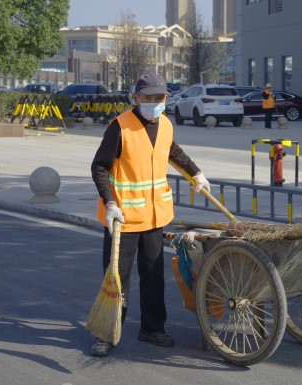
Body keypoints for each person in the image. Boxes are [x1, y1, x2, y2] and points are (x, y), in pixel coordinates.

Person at [90, 73, 211, 357]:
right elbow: (100, 167)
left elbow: (173, 152)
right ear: (136, 98)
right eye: (148, 99)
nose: (154, 104)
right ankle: (106, 333)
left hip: (155, 217)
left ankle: (152, 328)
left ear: (166, 99)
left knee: (154, 275)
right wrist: (109, 204)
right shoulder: (119, 128)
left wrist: (196, 173)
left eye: (159, 99)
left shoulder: (166, 125)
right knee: (117, 277)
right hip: (123, 218)